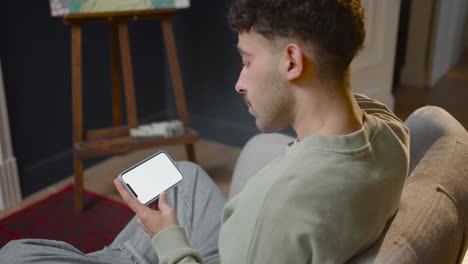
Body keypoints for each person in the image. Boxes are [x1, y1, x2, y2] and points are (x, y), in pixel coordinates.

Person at [0, 0, 409, 263]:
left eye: (247, 61)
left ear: (291, 61)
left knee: (17, 254)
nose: (239, 82)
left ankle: (124, 256)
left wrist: (169, 241)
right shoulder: (390, 131)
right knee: (185, 176)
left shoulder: (275, 209)